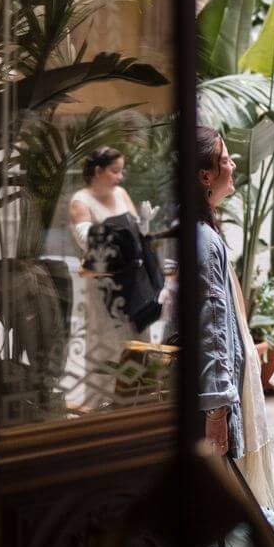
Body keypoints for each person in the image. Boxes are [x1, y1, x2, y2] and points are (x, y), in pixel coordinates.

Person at [196, 125, 274, 547]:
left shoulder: (203, 229)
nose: (233, 165)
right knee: (214, 497)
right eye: (225, 159)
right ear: (205, 175)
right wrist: (217, 405)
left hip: (215, 388)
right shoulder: (204, 238)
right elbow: (209, 326)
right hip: (209, 394)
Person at [69, 147, 156, 409]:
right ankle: (104, 410)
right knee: (108, 347)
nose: (120, 177)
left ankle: (139, 405)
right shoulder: (80, 202)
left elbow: (137, 234)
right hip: (105, 289)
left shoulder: (121, 193)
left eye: (121, 170)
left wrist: (144, 223)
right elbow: (88, 244)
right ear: (98, 171)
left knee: (139, 343)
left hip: (135, 285)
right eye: (115, 171)